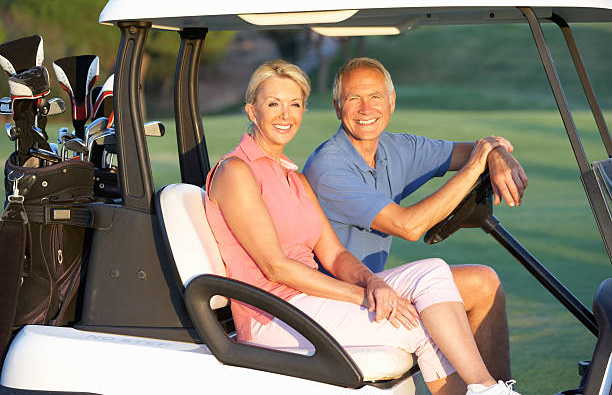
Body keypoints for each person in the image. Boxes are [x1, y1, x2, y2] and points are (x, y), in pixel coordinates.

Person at [205, 59, 521, 395]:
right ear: (252, 111)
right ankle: (490, 391)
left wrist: (372, 283)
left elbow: (334, 252)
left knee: (432, 272)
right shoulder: (237, 171)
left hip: (307, 302)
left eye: (294, 104)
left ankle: (490, 389)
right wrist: (364, 295)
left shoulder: (294, 177)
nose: (285, 114)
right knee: (421, 324)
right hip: (272, 315)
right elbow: (275, 267)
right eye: (273, 104)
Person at [303, 57, 529, 382]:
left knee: (484, 282)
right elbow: (408, 226)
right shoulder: (329, 167)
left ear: (391, 102)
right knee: (436, 290)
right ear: (338, 107)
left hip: (376, 283)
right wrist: (477, 165)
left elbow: (471, 150)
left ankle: (498, 390)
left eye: (375, 97)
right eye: (354, 98)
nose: (366, 108)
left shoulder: (395, 148)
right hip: (339, 296)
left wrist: (495, 154)